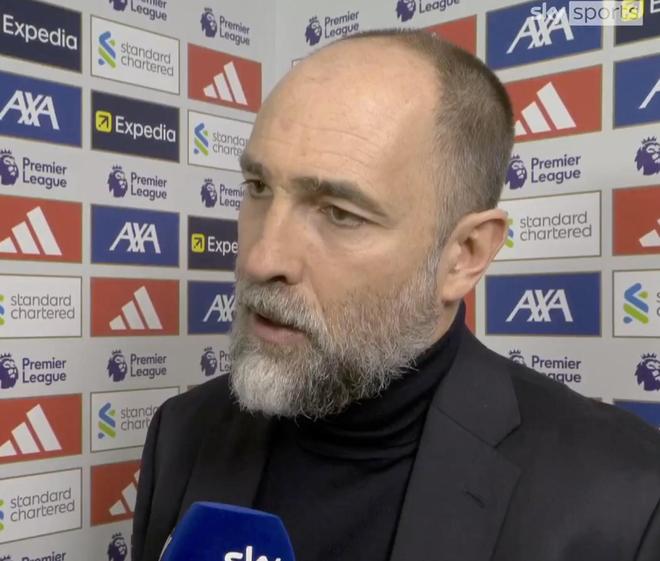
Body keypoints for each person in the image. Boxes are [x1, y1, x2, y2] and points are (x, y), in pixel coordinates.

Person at [132, 30, 660, 561]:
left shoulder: (626, 501)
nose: (261, 259)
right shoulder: (183, 432)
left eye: (340, 213)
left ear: (464, 254)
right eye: (258, 188)